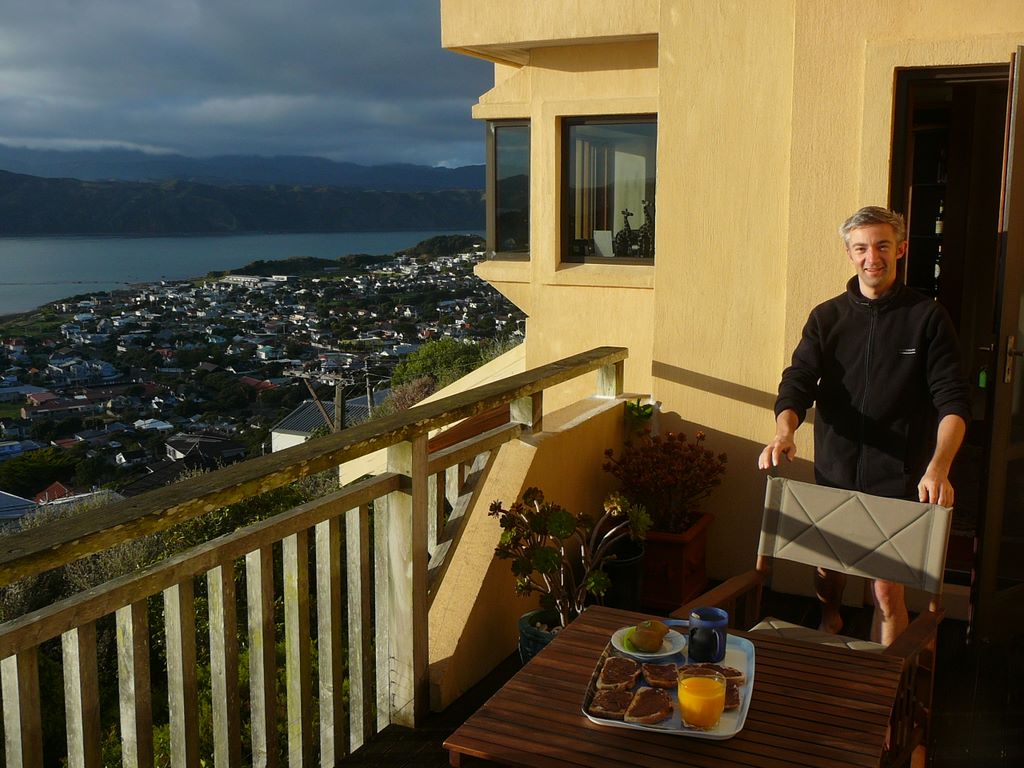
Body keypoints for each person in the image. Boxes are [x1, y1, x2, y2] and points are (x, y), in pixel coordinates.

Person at [758, 206, 970, 645]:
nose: (872, 257)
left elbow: (952, 400)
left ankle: (882, 678)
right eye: (861, 248)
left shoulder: (927, 317)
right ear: (849, 253)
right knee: (827, 567)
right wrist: (784, 431)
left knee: (886, 590)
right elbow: (797, 382)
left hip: (898, 475)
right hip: (835, 467)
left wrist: (939, 467)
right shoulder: (826, 317)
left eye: (882, 246)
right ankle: (831, 619)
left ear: (901, 249)